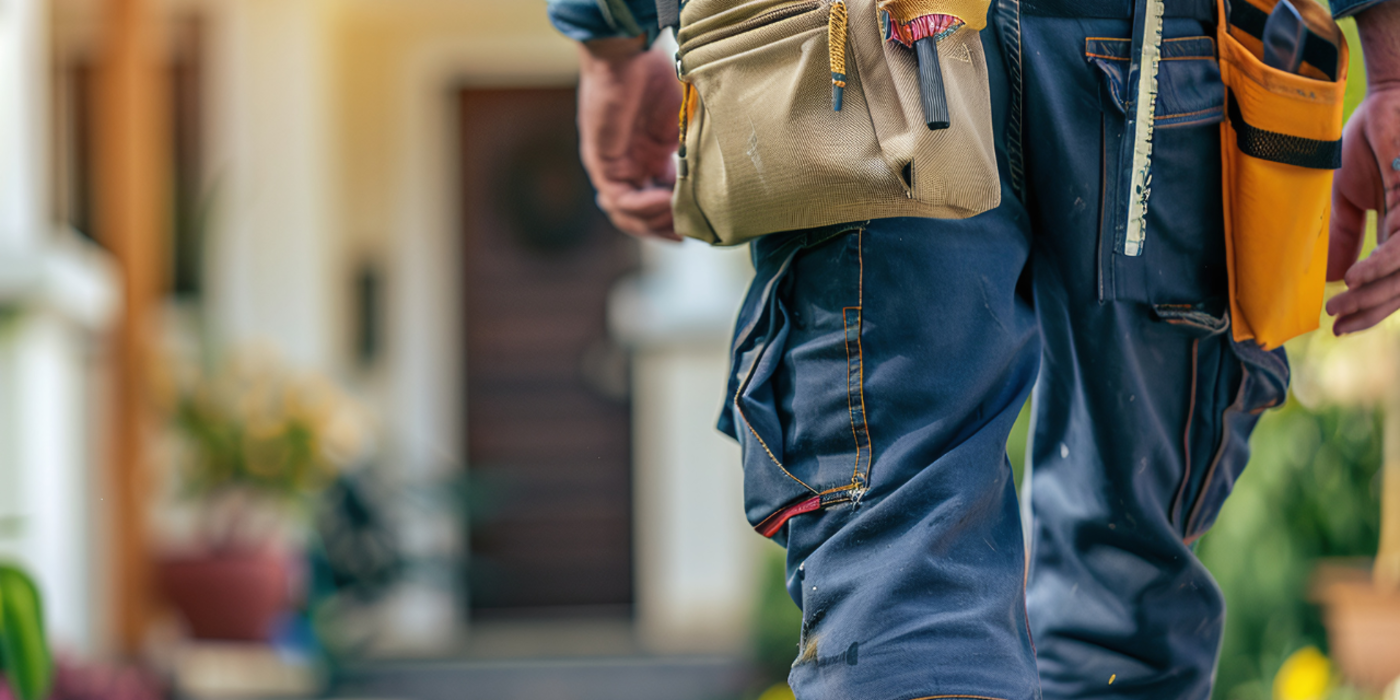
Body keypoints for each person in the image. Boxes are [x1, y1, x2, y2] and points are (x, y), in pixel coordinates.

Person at [546, 0, 1400, 698]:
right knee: (1127, 604)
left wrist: (613, 36)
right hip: (1175, 53)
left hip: (869, 62)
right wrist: (1391, 60)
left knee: (905, 591)